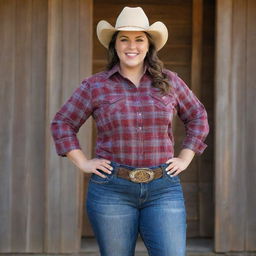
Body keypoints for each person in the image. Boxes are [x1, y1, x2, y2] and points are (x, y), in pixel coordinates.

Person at [51, 6, 209, 256]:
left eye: (139, 39)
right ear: (115, 45)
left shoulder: (170, 82)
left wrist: (186, 157)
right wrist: (82, 162)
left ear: (149, 46)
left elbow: (198, 116)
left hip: (163, 190)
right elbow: (62, 122)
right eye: (124, 39)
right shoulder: (95, 86)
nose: (131, 46)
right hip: (111, 190)